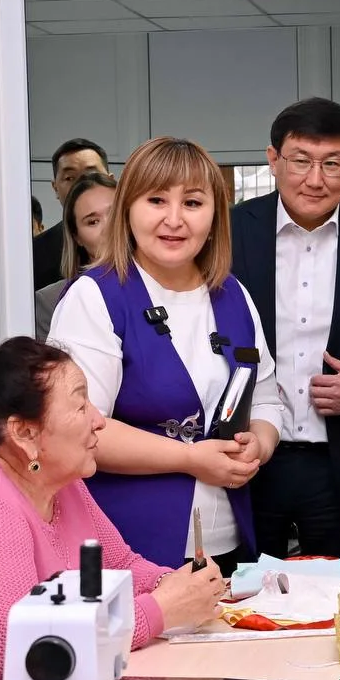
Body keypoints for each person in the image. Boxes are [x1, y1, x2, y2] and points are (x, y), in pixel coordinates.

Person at [0, 336, 229, 680]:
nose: (99, 420)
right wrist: (160, 610)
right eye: (80, 406)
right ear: (24, 432)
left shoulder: (57, 478)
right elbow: (21, 653)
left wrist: (175, 585)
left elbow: (119, 564)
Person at [47, 136, 285, 570]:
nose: (174, 219)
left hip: (229, 544)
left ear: (214, 216)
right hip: (127, 547)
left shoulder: (233, 294)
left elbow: (266, 395)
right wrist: (190, 459)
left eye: (192, 203)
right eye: (156, 200)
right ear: (128, 208)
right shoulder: (94, 298)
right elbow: (77, 428)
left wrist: (260, 444)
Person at [230, 97, 340, 558]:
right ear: (273, 159)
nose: (315, 179)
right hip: (248, 458)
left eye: (332, 164)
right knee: (244, 588)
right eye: (301, 161)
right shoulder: (228, 233)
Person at [33, 168, 118, 338]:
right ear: (76, 237)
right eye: (93, 222)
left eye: (115, 214)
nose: (108, 228)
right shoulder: (51, 301)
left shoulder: (162, 282)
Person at [29, 137, 110, 300]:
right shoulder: (34, 254)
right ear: (55, 188)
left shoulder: (143, 243)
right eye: (70, 178)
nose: (83, 184)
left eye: (92, 174)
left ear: (110, 179)